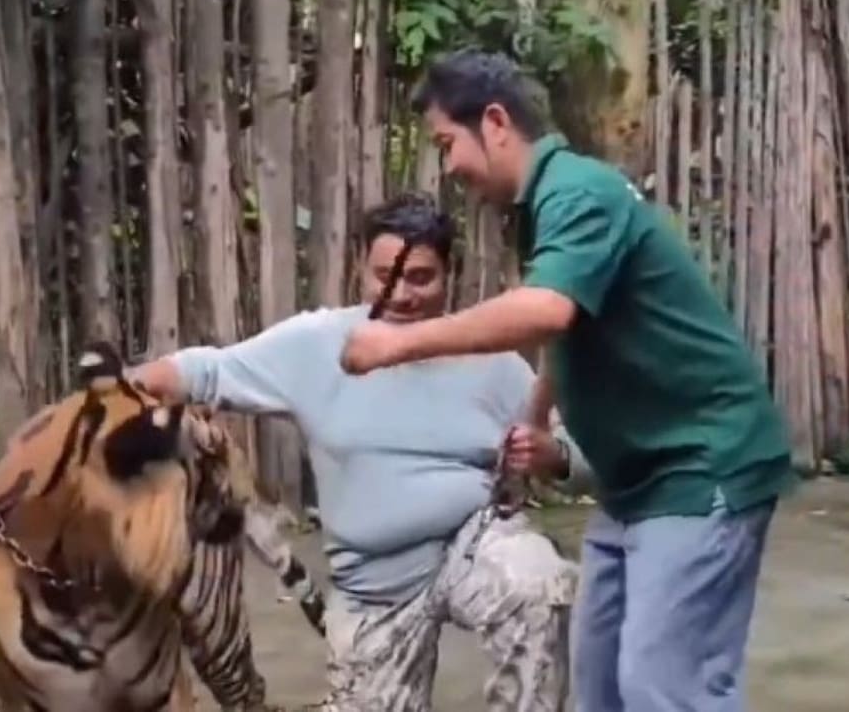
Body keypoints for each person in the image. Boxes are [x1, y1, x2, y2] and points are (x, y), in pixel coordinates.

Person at [339, 48, 797, 711]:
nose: (448, 166)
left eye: (447, 143)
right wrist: (534, 417)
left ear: (494, 122)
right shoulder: (544, 205)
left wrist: (395, 344)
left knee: (666, 689)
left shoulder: (577, 191)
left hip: (702, 465)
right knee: (602, 686)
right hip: (636, 480)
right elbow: (567, 325)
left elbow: (546, 309)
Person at [130, 192, 586, 712]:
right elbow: (204, 371)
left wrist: (554, 456)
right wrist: (114, 393)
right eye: (384, 274)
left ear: (450, 274)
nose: (401, 294)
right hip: (373, 587)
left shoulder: (491, 357)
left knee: (538, 581)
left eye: (420, 277)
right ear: (358, 270)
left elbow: (577, 455)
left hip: (472, 543)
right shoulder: (317, 343)